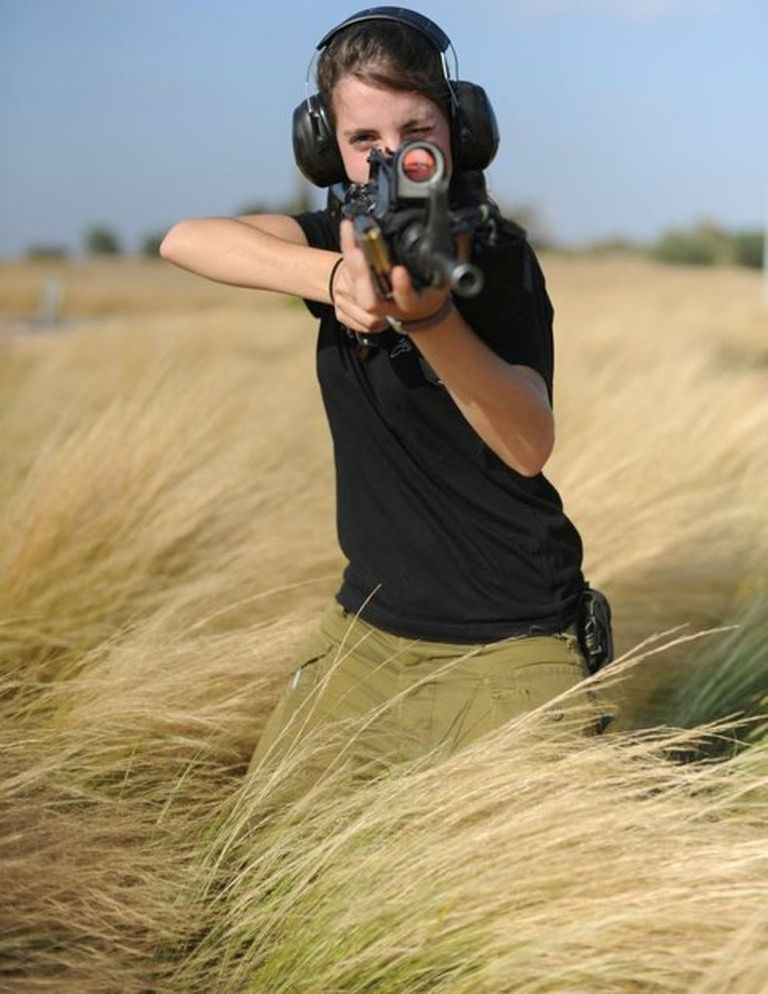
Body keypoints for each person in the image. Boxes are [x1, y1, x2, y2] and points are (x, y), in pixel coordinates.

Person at [160, 7, 609, 775]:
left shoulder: (495, 254)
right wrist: (335, 279)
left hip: (511, 639)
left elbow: (528, 445)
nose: (392, 155)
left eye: (416, 129)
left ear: (459, 132)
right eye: (364, 139)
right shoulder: (335, 232)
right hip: (364, 630)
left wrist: (429, 320)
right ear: (325, 149)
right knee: (252, 866)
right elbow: (185, 239)